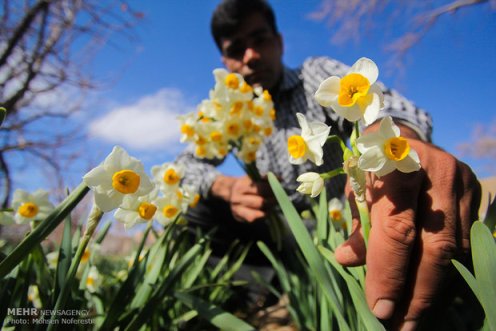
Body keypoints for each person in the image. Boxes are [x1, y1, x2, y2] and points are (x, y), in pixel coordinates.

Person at [176, 0, 482, 329]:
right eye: (237, 49)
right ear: (226, 62)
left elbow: (390, 107)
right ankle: (258, 292)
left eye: (259, 39)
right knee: (193, 208)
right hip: (274, 232)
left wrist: (397, 142)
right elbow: (182, 168)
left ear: (278, 42)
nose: (250, 55)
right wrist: (227, 186)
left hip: (338, 224)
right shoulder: (230, 109)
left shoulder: (313, 76)